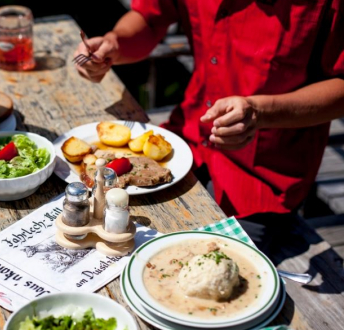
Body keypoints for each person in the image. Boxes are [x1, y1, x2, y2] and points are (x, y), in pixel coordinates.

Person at [74, 0, 344, 254]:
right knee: (97, 237)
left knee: (199, 267)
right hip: (185, 143)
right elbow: (150, 17)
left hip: (261, 180)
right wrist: (114, 43)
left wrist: (262, 112)